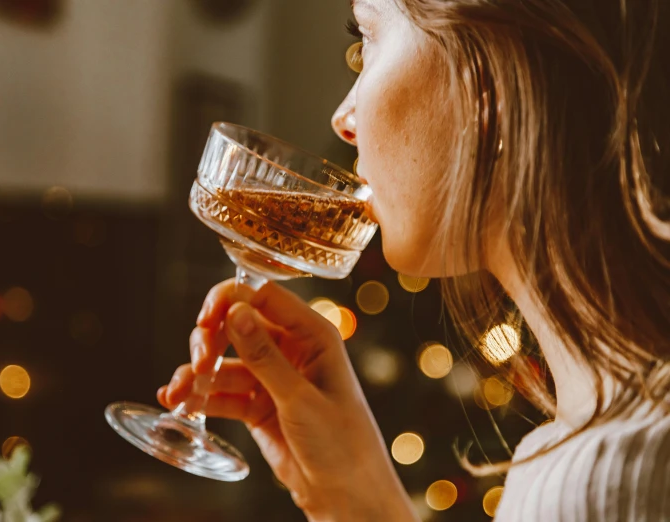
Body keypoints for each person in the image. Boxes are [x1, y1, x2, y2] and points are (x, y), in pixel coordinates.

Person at [157, 0, 670, 520]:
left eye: (369, 39)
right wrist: (360, 499)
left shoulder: (603, 482)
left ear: (485, 82)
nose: (344, 119)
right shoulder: (592, 450)